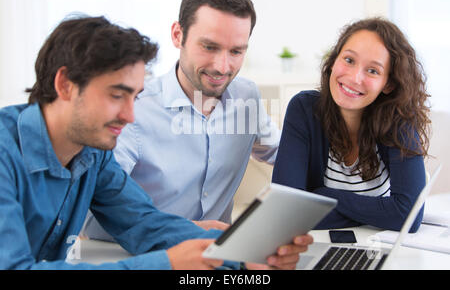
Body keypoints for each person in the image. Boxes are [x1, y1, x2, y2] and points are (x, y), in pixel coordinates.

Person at [0, 15, 312, 270]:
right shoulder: (5, 153)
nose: (130, 116)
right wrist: (167, 264)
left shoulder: (93, 153)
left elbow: (144, 222)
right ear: (65, 84)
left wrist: (245, 253)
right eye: (116, 95)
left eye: (134, 97)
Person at [83, 0, 280, 239]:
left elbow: (285, 153)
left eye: (236, 51)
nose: (222, 66)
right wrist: (184, 232)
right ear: (178, 35)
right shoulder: (134, 108)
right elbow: (96, 210)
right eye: (209, 47)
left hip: (214, 259)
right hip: (139, 256)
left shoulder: (247, 97)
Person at [272, 18, 431, 232]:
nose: (355, 78)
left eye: (373, 71)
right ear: (334, 60)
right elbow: (285, 212)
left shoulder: (398, 118)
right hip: (318, 246)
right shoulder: (304, 109)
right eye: (348, 60)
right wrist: (381, 215)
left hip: (376, 247)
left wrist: (325, 196)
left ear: (388, 83)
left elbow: (408, 216)